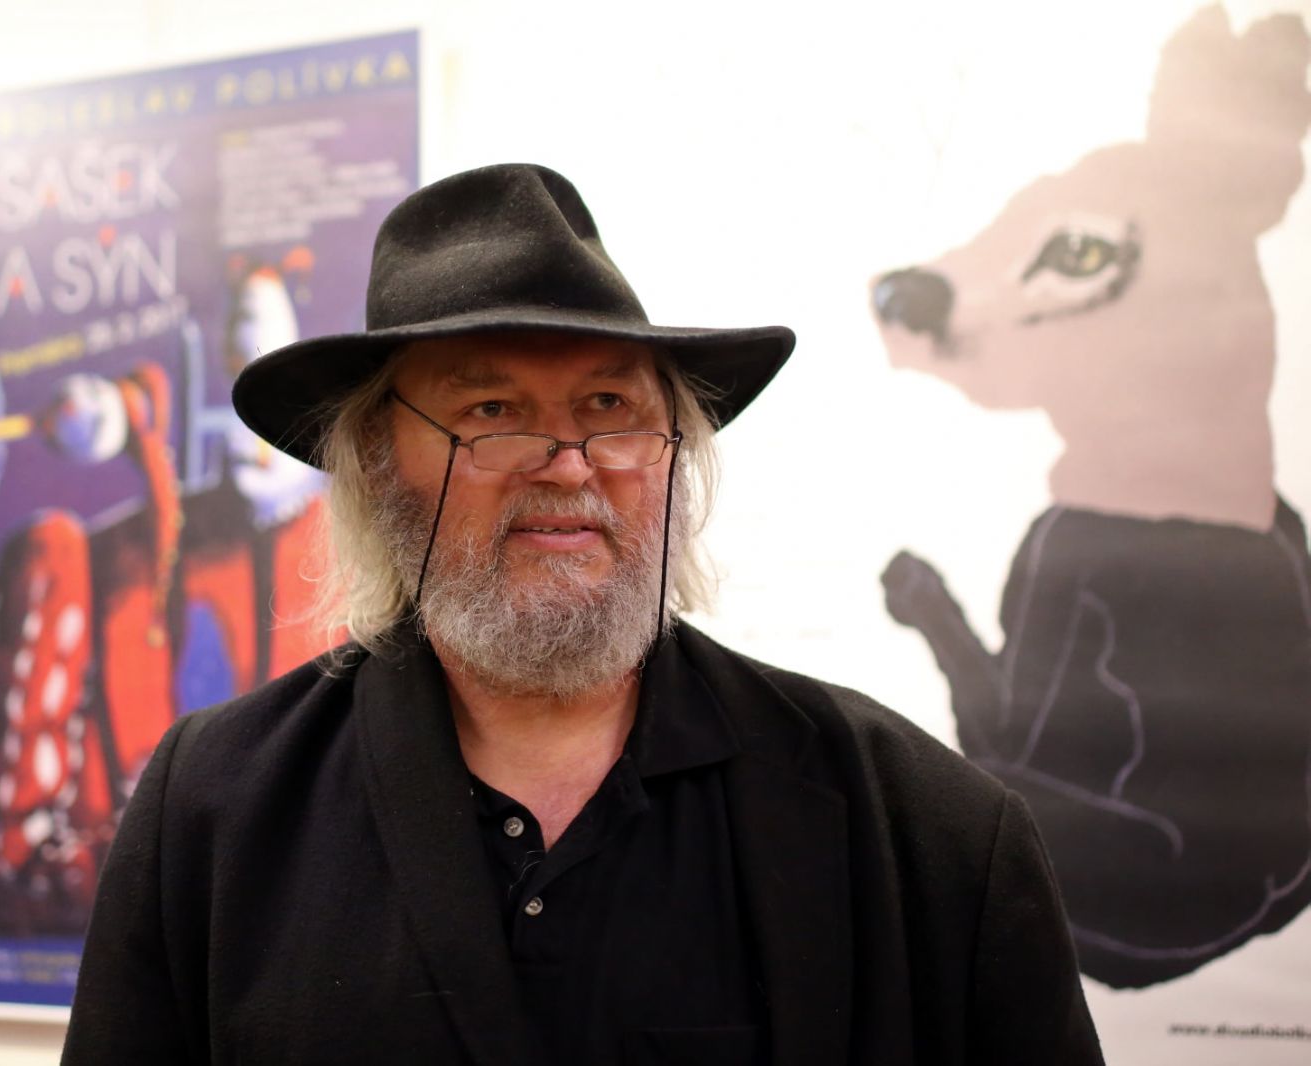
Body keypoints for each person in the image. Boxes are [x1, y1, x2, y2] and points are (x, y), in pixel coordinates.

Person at [61, 163, 1104, 1065]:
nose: (567, 466)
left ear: (674, 453)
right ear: (378, 464)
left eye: (611, 408)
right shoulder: (219, 810)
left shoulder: (923, 833)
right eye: (491, 412)